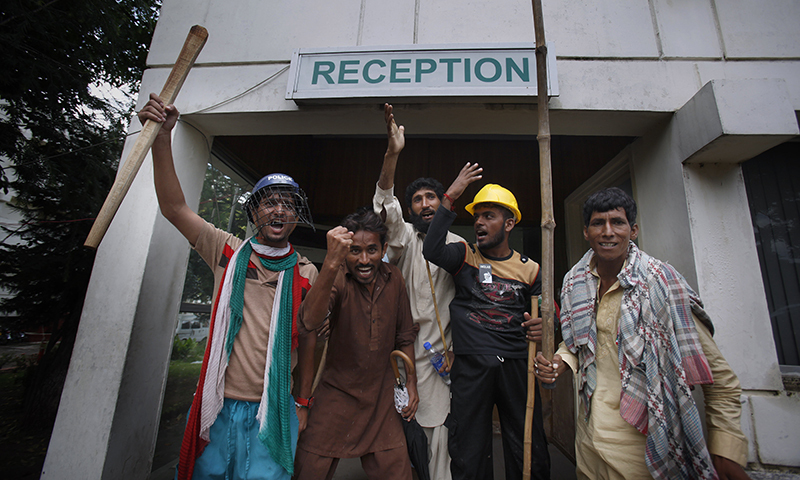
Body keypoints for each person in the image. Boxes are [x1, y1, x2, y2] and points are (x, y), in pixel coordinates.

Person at [138, 93, 319, 480]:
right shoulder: (228, 251)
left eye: (288, 204)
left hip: (273, 411)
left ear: (297, 216)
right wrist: (160, 138)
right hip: (215, 406)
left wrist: (303, 402)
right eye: (269, 202)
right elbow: (173, 208)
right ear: (254, 212)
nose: (279, 209)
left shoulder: (307, 273)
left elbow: (311, 340)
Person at [534, 187, 750, 480]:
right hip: (589, 445)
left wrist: (725, 449)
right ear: (586, 232)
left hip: (646, 452)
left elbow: (721, 379)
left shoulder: (662, 285)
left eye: (617, 223)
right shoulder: (575, 282)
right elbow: (577, 344)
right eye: (598, 223)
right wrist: (559, 362)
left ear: (633, 230)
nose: (608, 232)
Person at [422, 166, 550, 480]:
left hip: (518, 365)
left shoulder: (531, 269)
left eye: (488, 216)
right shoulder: (464, 255)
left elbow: (547, 312)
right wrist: (450, 196)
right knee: (469, 447)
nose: (479, 222)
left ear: (509, 223)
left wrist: (543, 323)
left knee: (527, 445)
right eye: (477, 216)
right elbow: (432, 248)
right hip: (471, 365)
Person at [372, 103, 463, 479]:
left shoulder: (460, 246)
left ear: (443, 203)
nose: (425, 204)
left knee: (442, 441)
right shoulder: (405, 239)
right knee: (404, 439)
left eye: (432, 197)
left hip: (448, 358)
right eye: (418, 200)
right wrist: (393, 155)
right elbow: (385, 207)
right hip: (404, 355)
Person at [293, 208, 418, 480]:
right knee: (309, 468)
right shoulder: (337, 276)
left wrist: (410, 384)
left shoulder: (393, 278)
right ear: (344, 251)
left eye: (372, 250)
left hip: (381, 398)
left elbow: (405, 335)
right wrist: (330, 262)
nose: (364, 260)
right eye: (355, 251)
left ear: (384, 248)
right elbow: (309, 323)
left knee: (398, 471)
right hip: (336, 394)